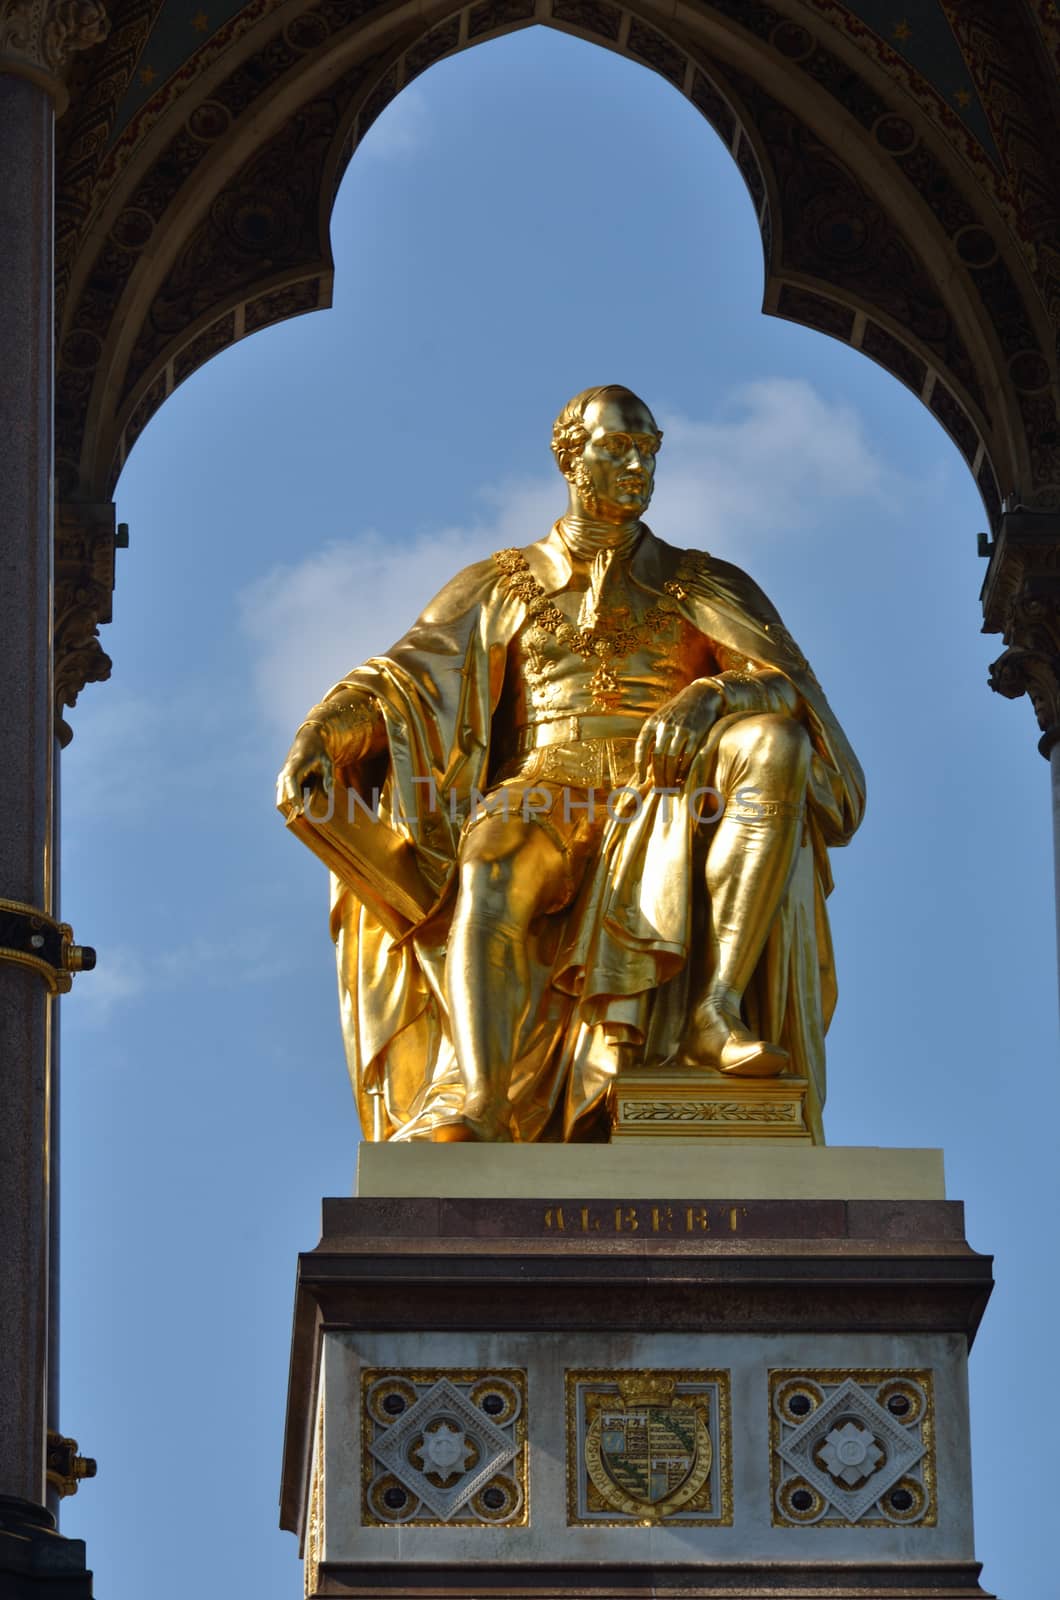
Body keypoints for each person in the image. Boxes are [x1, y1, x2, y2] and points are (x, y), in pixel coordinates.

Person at [276, 385, 864, 1143]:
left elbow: (792, 693)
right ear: (570, 457)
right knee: (490, 868)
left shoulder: (703, 581)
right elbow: (407, 680)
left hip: (668, 794)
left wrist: (716, 694)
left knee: (774, 742)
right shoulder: (500, 582)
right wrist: (322, 734)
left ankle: (714, 1013)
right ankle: (482, 1099)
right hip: (541, 790)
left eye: (648, 449)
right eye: (617, 447)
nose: (637, 465)